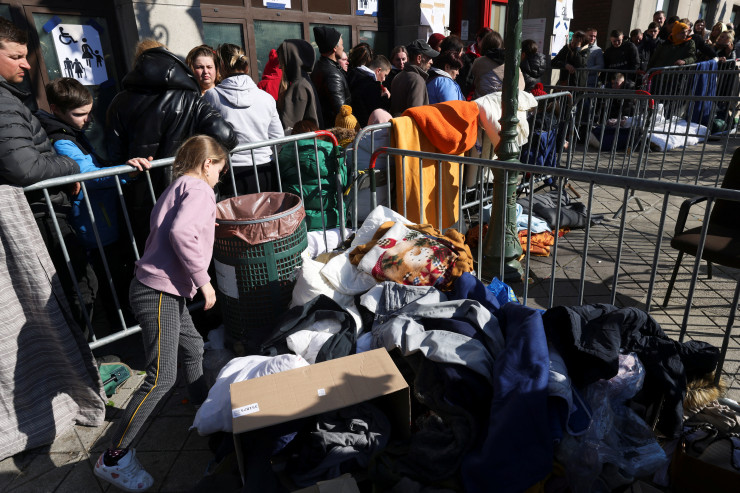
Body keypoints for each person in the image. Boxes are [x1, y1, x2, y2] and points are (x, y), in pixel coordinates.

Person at [94, 135, 227, 492]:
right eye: (220, 171)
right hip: (159, 292)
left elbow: (169, 226)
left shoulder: (178, 186)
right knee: (160, 378)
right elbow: (181, 232)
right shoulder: (200, 188)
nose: (219, 178)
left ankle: (203, 412)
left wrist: (205, 228)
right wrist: (205, 282)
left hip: (156, 288)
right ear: (207, 164)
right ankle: (115, 456)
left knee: (193, 347)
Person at [0, 18, 95, 332]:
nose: (26, 65)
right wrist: (69, 166)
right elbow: (23, 167)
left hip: (38, 213)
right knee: (77, 288)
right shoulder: (4, 103)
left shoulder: (9, 99)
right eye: (16, 56)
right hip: (40, 215)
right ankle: (81, 357)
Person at [37, 78, 151, 329]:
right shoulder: (62, 140)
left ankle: (122, 323)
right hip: (95, 224)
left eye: (89, 112)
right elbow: (88, 174)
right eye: (80, 114)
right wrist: (126, 172)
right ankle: (118, 327)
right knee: (108, 282)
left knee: (113, 278)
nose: (88, 119)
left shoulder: (71, 132)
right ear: (56, 110)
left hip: (101, 219)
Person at [106, 39, 237, 251]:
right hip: (186, 188)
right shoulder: (190, 97)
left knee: (153, 252)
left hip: (142, 195)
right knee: (193, 248)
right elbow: (227, 136)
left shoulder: (119, 102)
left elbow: (113, 155)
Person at [204, 43, 284, 196]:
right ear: (245, 66)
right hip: (265, 169)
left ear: (221, 66)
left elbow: (206, 135)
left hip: (230, 172)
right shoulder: (266, 98)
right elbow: (278, 137)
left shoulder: (211, 96)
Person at [277, 120, 346, 231]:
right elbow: (343, 182)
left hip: (299, 226)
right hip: (334, 222)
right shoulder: (333, 151)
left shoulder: (285, 153)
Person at [277, 38, 322, 130]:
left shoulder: (298, 86)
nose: (280, 66)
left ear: (292, 60)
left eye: (281, 61)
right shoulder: (305, 81)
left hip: (305, 138)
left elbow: (289, 127)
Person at [311, 26, 351, 128]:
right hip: (335, 131)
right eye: (341, 45)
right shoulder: (333, 75)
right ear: (334, 48)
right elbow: (342, 112)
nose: (343, 48)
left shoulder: (320, 66)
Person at [390, 39, 438, 116]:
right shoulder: (417, 80)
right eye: (429, 58)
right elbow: (416, 114)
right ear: (419, 58)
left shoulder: (398, 76)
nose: (431, 62)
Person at [471, 30, 525, 98]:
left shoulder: (478, 62)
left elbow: (472, 82)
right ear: (501, 44)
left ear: (484, 45)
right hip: (504, 102)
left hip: (483, 101)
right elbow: (521, 86)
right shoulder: (511, 63)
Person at [348, 54, 391, 126]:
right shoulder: (372, 85)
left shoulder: (352, 74)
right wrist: (385, 97)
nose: (384, 79)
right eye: (385, 75)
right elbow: (377, 112)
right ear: (378, 70)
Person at [458, 27, 492, 99]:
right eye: (487, 41)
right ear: (479, 40)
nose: (489, 44)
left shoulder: (493, 57)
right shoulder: (467, 57)